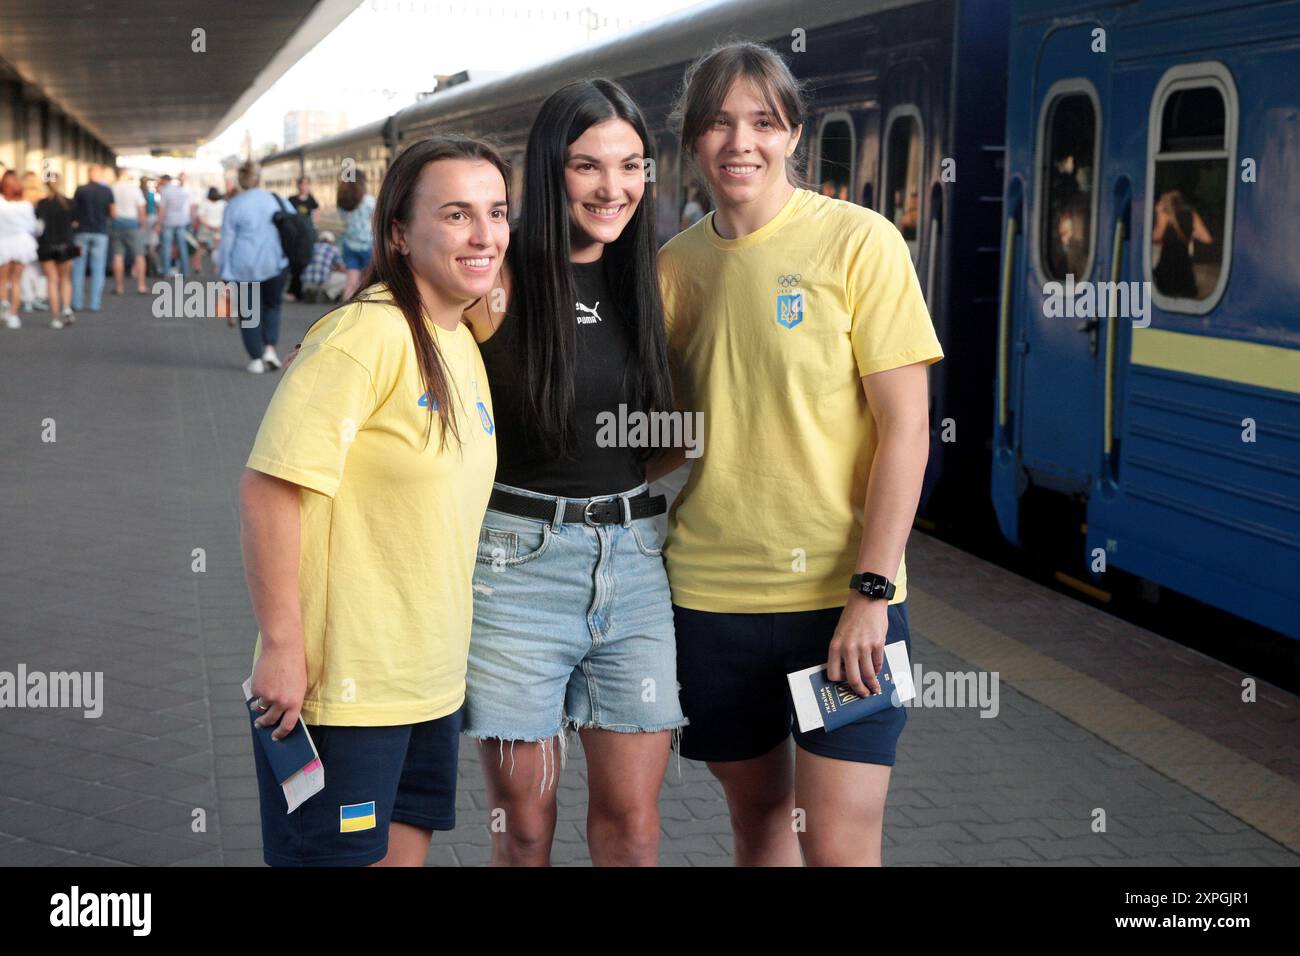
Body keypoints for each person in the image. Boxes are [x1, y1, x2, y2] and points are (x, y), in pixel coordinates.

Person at [654, 41, 943, 867]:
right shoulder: (676, 268)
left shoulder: (861, 243)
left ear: (793, 135)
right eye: (718, 123)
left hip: (844, 607)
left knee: (842, 843)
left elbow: (906, 431)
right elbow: (677, 432)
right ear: (692, 141)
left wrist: (871, 593)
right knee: (760, 827)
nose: (740, 142)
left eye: (763, 123)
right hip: (708, 605)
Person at [240, 134, 507, 867]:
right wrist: (284, 649)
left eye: (497, 212)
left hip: (427, 686)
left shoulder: (458, 339)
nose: (484, 234)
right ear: (398, 231)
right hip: (341, 693)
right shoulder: (365, 337)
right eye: (456, 215)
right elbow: (268, 490)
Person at [458, 79, 685, 866]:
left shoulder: (648, 282)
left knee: (634, 824)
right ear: (551, 168)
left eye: (631, 166)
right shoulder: (493, 282)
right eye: (588, 166)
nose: (613, 188)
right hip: (515, 570)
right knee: (525, 826)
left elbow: (670, 435)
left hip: (634, 567)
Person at [220, 163, 289, 373]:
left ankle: (256, 359)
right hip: (275, 263)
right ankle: (270, 350)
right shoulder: (277, 200)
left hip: (244, 266)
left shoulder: (234, 205)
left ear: (241, 180)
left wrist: (225, 273)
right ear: (259, 179)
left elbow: (226, 243)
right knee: (272, 307)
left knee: (250, 313)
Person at [36, 173, 79, 328]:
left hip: (46, 245)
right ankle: (66, 308)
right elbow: (75, 224)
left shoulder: (41, 204)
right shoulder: (70, 203)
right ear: (60, 183)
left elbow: (38, 226)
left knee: (52, 281)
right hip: (66, 245)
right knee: (66, 279)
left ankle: (55, 317)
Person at [1152, 189, 1212, 299]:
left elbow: (1157, 237)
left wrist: (1158, 213)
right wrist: (1191, 233)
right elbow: (1207, 238)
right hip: (1185, 269)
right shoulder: (1191, 214)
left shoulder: (1164, 215)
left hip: (1167, 268)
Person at [71, 164, 115, 313]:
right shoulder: (107, 190)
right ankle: (95, 303)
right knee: (98, 268)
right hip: (100, 232)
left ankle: (77, 302)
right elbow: (113, 212)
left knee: (78, 267)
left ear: (89, 174)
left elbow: (73, 210)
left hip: (81, 233)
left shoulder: (80, 190)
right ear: (100, 174)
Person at [0, 170, 39, 329]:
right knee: (16, 281)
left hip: (3, 244)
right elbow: (32, 226)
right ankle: (14, 316)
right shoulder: (26, 205)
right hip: (22, 244)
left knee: (2, 281)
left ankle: (4, 304)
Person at [337, 171, 375, 300]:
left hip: (349, 245)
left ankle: (345, 312)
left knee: (350, 284)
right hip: (368, 246)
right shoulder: (369, 201)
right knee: (371, 284)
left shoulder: (342, 204)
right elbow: (376, 219)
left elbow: (344, 220)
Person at [109, 166, 147, 294]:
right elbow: (141, 207)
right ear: (125, 174)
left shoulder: (112, 188)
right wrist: (142, 223)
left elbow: (110, 209)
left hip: (117, 223)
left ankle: (119, 287)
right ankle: (141, 285)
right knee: (139, 255)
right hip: (132, 223)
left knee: (118, 256)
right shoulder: (134, 188)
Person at [286, 177, 319, 300]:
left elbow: (315, 217)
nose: (303, 187)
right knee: (295, 261)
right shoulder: (291, 200)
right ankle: (294, 290)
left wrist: (314, 231)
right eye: (302, 184)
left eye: (306, 184)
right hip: (295, 235)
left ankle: (302, 289)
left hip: (308, 235)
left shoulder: (312, 201)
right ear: (298, 186)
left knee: (306, 261)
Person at [157, 173, 192, 276]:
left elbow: (162, 209)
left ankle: (166, 271)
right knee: (182, 246)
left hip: (169, 220)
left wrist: (158, 223)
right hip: (181, 220)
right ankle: (185, 271)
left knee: (167, 247)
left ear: (164, 180)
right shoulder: (180, 190)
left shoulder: (165, 191)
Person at [299, 229, 345, 303]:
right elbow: (341, 268)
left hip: (306, 281)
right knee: (346, 278)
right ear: (331, 241)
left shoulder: (312, 247)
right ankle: (328, 295)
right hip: (322, 282)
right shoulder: (333, 249)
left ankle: (310, 291)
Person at [196, 187, 226, 275]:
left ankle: (198, 267)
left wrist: (209, 226)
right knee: (217, 249)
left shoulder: (204, 203)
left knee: (201, 249)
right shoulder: (223, 203)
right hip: (219, 229)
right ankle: (215, 269)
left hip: (206, 229)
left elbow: (201, 217)